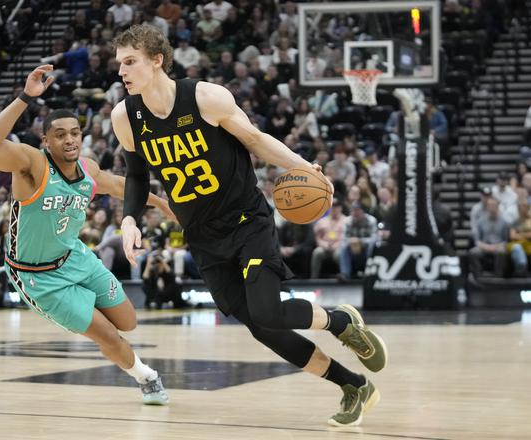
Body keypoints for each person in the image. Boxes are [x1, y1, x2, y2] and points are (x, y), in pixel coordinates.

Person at [112, 24, 387, 426]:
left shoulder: (206, 97)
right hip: (202, 235)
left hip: (245, 220)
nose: (122, 70)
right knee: (262, 328)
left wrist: (301, 165)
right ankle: (353, 386)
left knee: (267, 310)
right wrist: (130, 219)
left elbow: (256, 140)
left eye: (130, 61)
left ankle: (342, 322)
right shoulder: (126, 115)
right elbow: (137, 175)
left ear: (157, 60)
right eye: (119, 63)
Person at [0, 64, 173, 405]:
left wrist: (164, 204)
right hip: (38, 276)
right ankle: (147, 377)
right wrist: (26, 97)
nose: (69, 139)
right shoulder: (30, 164)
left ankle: (93, 317)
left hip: (75, 256)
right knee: (108, 335)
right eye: (60, 134)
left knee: (128, 321)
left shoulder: (87, 170)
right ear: (46, 140)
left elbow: (121, 186)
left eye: (75, 133)